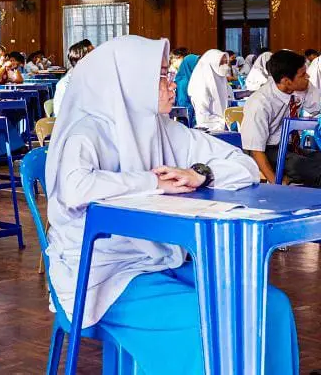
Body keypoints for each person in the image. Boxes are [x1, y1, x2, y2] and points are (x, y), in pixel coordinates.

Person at [45, 35, 296, 375]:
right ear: (129, 81)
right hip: (103, 274)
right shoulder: (87, 132)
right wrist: (151, 181)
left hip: (158, 260)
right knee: (205, 325)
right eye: (161, 76)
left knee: (273, 306)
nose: (172, 85)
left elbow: (245, 165)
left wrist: (200, 174)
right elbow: (74, 188)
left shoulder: (162, 128)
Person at [242, 50, 321, 186]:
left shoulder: (301, 86)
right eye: (302, 74)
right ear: (286, 81)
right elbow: (255, 150)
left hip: (290, 147)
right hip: (266, 150)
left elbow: (318, 106)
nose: (307, 76)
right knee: (315, 171)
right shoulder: (259, 103)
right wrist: (276, 184)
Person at [187, 49, 232, 132]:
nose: (225, 66)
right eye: (221, 63)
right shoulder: (200, 85)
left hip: (225, 127)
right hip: (209, 130)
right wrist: (224, 122)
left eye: (226, 62)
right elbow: (203, 117)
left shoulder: (223, 80)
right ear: (211, 64)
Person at [51, 39, 94, 117]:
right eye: (92, 56)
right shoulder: (65, 85)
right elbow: (61, 116)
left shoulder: (93, 80)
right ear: (81, 61)